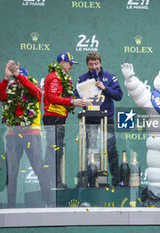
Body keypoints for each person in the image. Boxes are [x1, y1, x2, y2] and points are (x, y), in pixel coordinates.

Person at [0, 60, 51, 207]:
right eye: (16, 80)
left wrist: (18, 75)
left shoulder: (34, 90)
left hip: (31, 135)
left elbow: (37, 92)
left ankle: (50, 203)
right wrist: (7, 78)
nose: (18, 83)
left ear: (25, 79)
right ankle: (11, 206)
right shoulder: (11, 90)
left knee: (39, 169)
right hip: (12, 136)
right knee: (12, 173)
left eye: (20, 79)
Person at [74, 52, 123, 186]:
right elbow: (75, 96)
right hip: (90, 120)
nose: (94, 67)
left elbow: (119, 95)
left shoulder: (109, 77)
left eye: (96, 64)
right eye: (91, 64)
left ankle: (116, 181)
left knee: (111, 149)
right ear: (87, 65)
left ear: (100, 63)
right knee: (91, 149)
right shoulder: (83, 79)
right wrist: (81, 101)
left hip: (107, 119)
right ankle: (90, 180)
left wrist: (104, 88)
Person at [43, 52, 87, 189]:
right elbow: (52, 98)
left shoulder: (60, 77)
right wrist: (72, 101)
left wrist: (73, 101)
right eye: (70, 64)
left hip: (58, 116)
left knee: (56, 150)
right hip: (53, 117)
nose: (72, 67)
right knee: (55, 151)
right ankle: (53, 183)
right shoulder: (55, 78)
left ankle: (55, 182)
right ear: (62, 63)